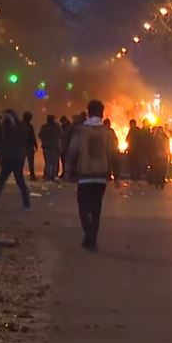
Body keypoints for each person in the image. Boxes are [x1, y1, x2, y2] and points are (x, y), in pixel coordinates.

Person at [66, 100, 120, 251]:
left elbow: (72, 151)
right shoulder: (109, 132)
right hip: (101, 176)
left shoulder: (80, 130)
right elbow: (114, 154)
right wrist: (117, 175)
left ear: (88, 112)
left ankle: (88, 234)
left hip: (84, 175)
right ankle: (92, 240)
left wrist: (69, 171)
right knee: (96, 208)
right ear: (102, 113)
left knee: (83, 206)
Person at [0, 110, 32, 211]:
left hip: (16, 157)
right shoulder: (5, 127)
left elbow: (21, 138)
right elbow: (3, 140)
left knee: (19, 181)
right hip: (9, 157)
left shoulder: (20, 127)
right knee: (1, 181)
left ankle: (26, 203)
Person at [39, 115, 62, 181]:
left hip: (46, 147)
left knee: (48, 162)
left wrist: (45, 140)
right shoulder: (57, 127)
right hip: (55, 147)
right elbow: (60, 135)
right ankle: (53, 176)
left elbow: (40, 135)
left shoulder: (44, 127)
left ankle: (48, 177)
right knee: (55, 163)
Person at [21, 111, 38, 182]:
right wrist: (35, 145)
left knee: (21, 161)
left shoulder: (19, 125)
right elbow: (32, 136)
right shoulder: (29, 126)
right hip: (29, 146)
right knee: (31, 161)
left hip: (21, 146)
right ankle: (32, 175)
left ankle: (19, 175)